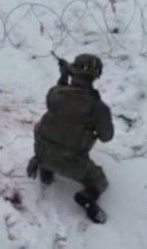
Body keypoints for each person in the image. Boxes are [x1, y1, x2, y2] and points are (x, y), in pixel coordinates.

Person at [26, 53, 114, 224]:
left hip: (42, 152)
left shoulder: (55, 93)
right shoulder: (98, 107)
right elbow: (106, 137)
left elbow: (58, 97)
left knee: (46, 125)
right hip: (72, 162)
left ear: (73, 71)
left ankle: (45, 169)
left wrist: (64, 76)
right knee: (99, 179)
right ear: (96, 76)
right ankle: (87, 197)